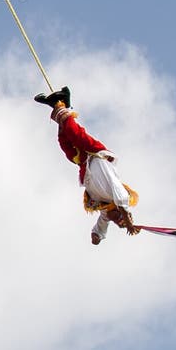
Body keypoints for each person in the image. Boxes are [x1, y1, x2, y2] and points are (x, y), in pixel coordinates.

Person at [34, 86, 140, 244]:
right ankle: (61, 103)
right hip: (96, 153)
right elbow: (122, 198)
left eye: (117, 222)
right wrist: (128, 221)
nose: (116, 219)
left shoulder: (105, 210)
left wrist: (97, 236)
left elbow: (101, 226)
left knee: (65, 143)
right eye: (119, 216)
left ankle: (60, 103)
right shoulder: (116, 194)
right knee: (73, 132)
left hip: (84, 162)